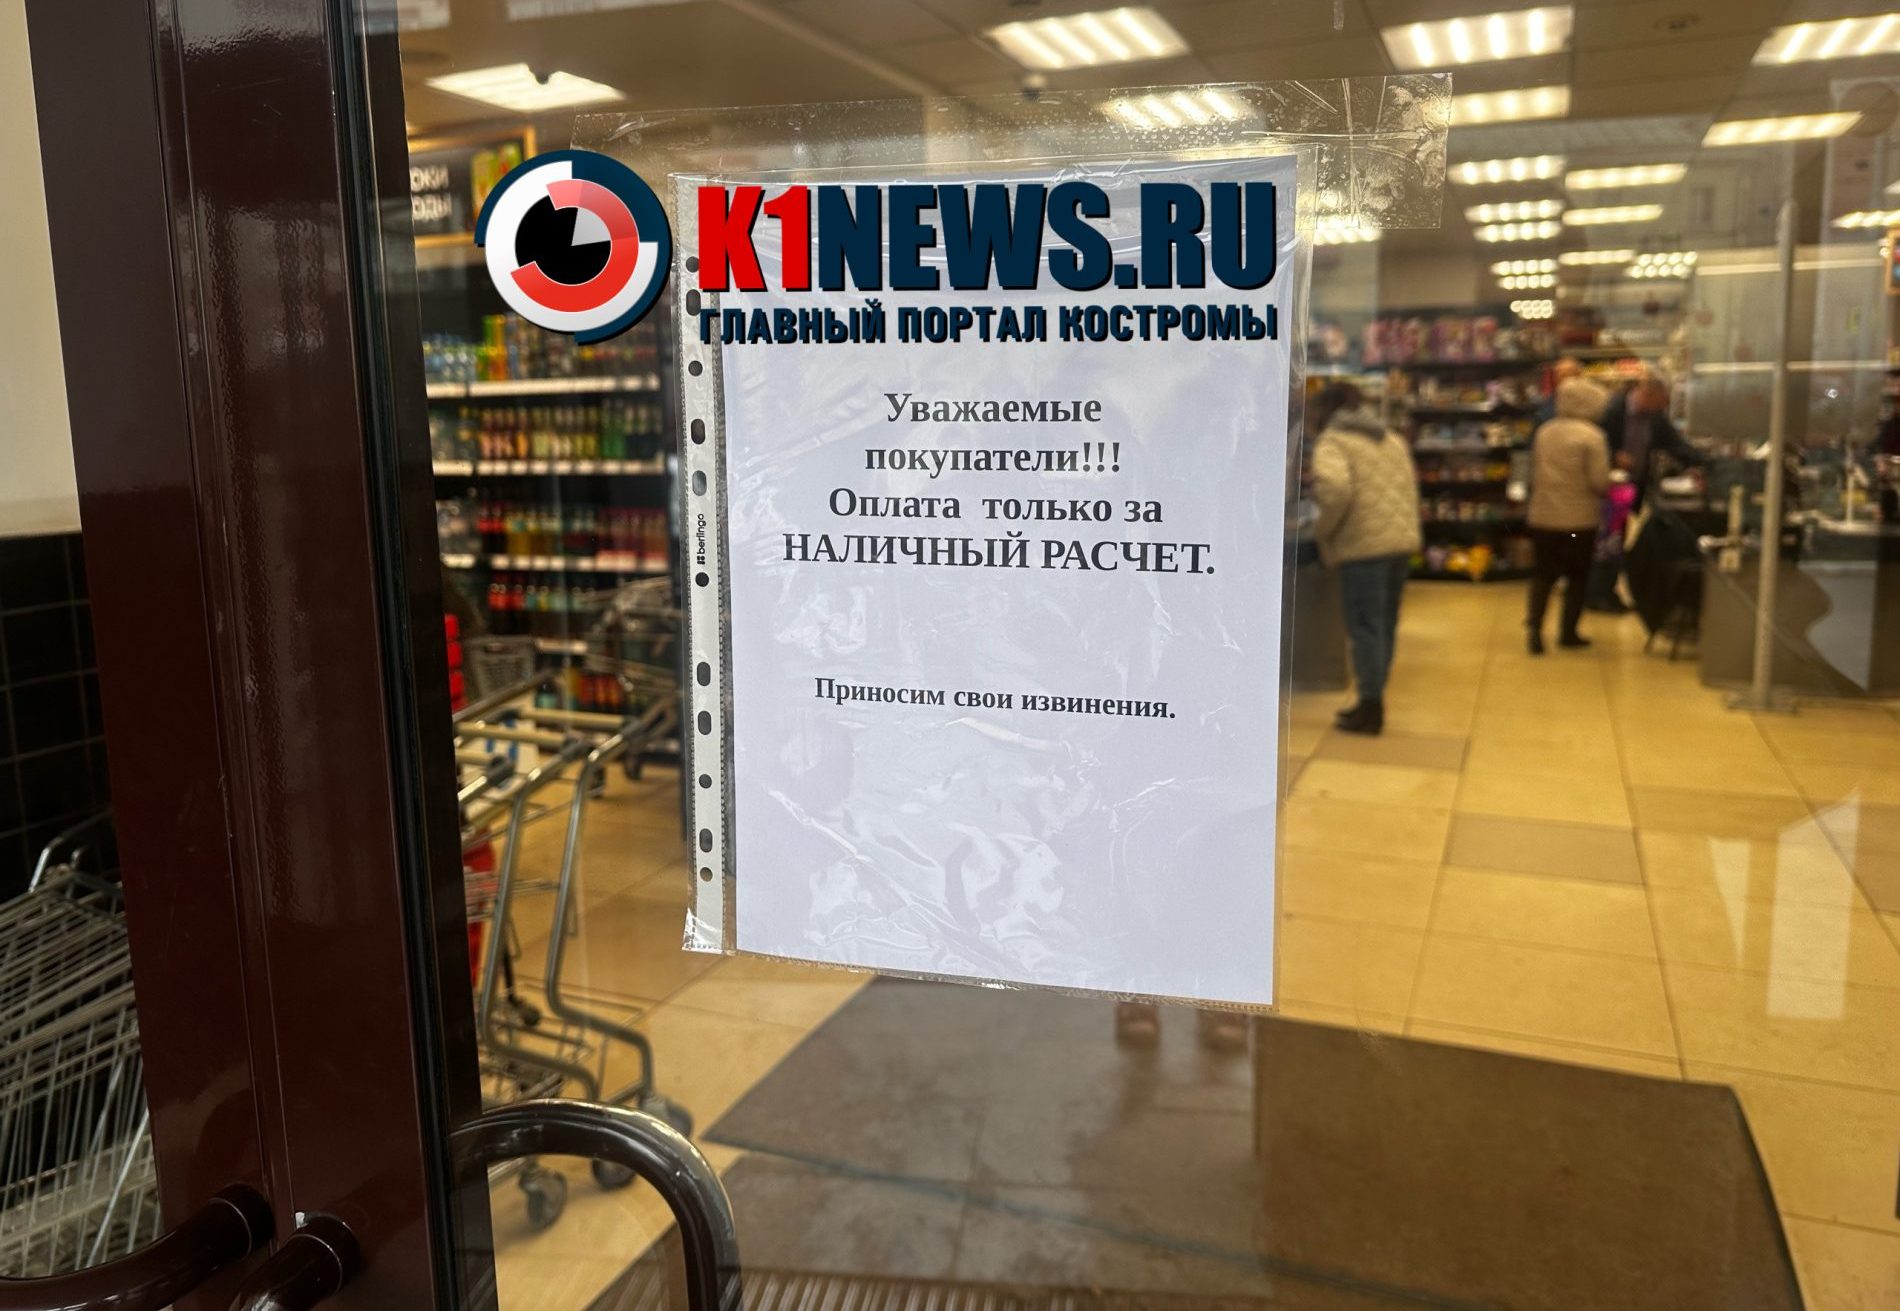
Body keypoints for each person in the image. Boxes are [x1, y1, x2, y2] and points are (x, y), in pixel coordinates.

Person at [1310, 382, 1422, 736]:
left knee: (1365, 628)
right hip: (1399, 543)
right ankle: (1373, 698)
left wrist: (1321, 529)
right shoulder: (1391, 439)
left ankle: (1370, 707)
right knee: (1384, 625)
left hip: (1363, 547)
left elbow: (1334, 490)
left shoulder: (1333, 442)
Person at [1526, 376, 1611, 654]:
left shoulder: (1545, 432)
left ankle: (1535, 631)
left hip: (1543, 516)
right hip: (1578, 521)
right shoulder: (1592, 436)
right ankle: (1568, 633)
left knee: (1543, 573)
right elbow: (1599, 481)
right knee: (1577, 576)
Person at [1599, 369, 1706, 503]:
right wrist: (1614, 455)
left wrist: (1704, 462)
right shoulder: (1611, 410)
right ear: (1649, 395)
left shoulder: (1655, 417)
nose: (1663, 406)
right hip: (1610, 486)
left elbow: (1675, 445)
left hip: (1638, 485)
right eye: (1661, 402)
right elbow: (1597, 443)